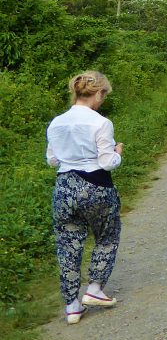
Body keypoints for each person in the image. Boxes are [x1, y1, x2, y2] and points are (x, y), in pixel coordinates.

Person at [46, 71, 124, 324]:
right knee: (106, 236)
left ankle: (72, 306)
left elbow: (52, 160)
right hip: (96, 186)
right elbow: (107, 162)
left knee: (67, 246)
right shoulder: (101, 122)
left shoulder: (56, 122)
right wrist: (117, 152)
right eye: (104, 95)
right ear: (99, 93)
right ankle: (94, 290)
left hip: (64, 188)